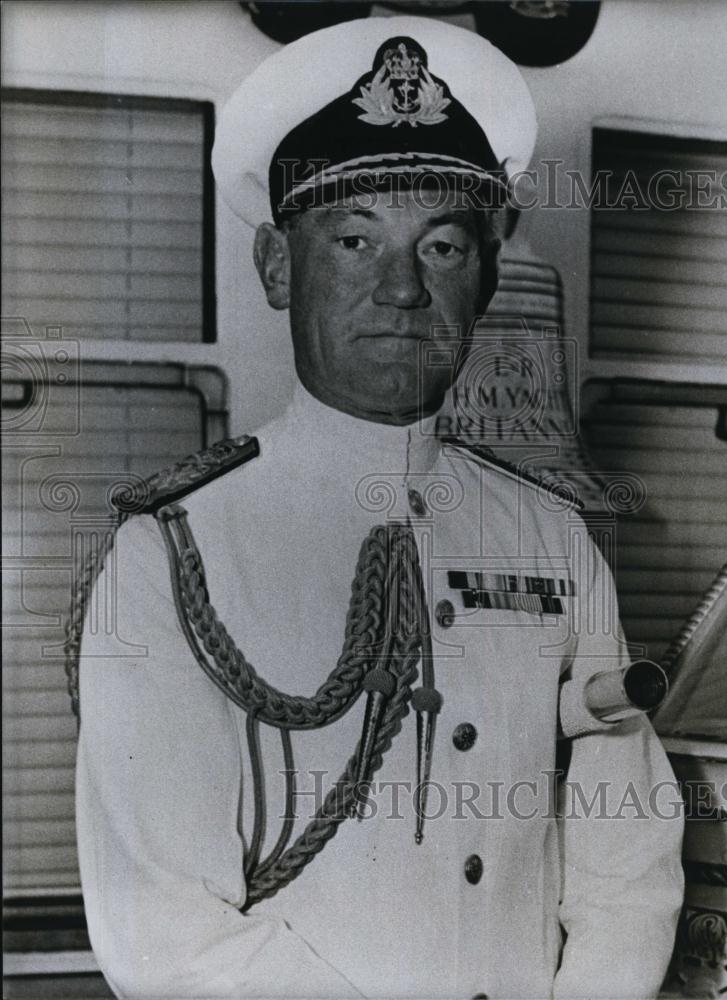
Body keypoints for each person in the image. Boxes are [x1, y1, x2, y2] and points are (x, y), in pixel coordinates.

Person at [72, 15, 684, 999]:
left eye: (442, 245)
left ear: (487, 275)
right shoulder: (175, 553)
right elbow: (163, 926)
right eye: (354, 239)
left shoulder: (555, 541)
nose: (401, 288)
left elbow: (629, 858)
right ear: (278, 266)